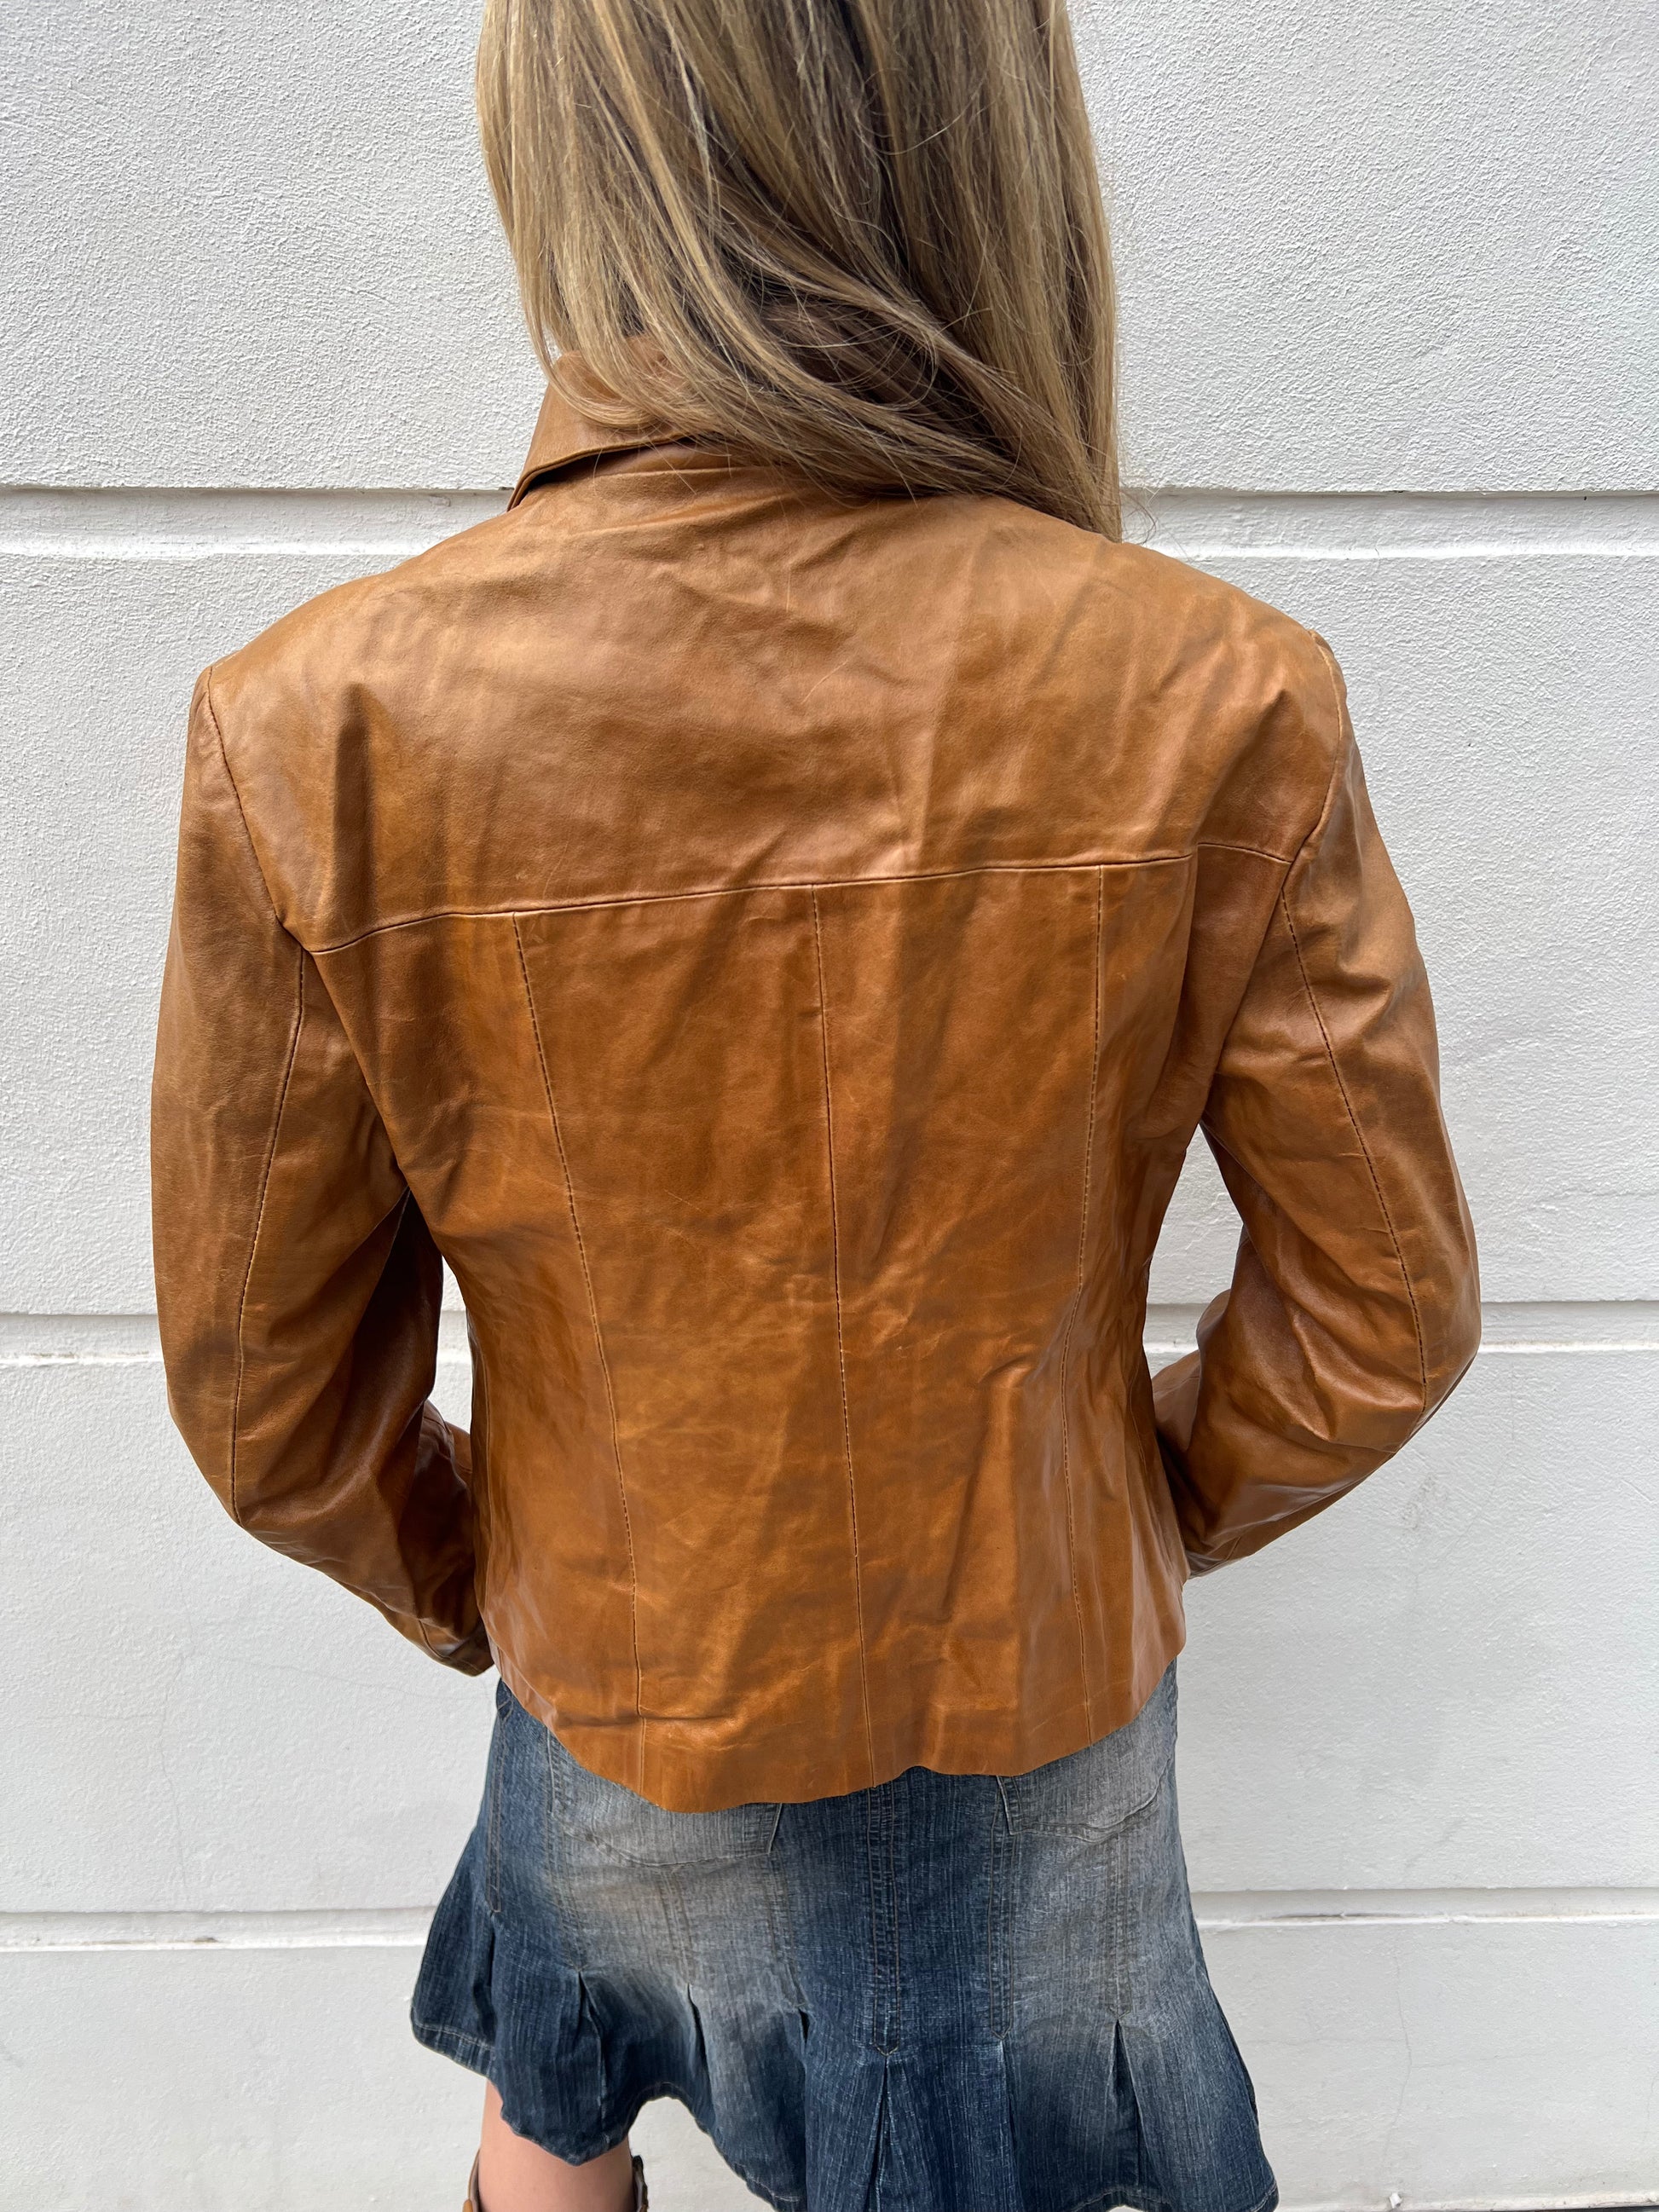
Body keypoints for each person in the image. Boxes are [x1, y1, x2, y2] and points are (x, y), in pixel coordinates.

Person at [149, 0, 1481, 2204]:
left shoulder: (319, 724)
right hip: (1044, 1685)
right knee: (1035, 2150)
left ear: (567, 162)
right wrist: (1115, 1499)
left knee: (556, 2087)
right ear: (995, 163)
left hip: (623, 1656)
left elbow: (264, 1398)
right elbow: (1380, 1314)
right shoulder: (1216, 691)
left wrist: (509, 1567)